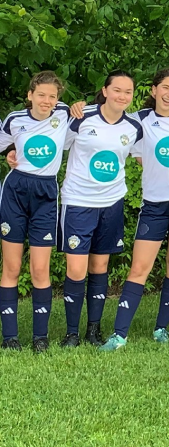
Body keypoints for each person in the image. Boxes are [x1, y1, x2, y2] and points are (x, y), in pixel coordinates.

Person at [92, 69, 169, 350]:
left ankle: (162, 328)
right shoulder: (138, 120)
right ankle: (119, 334)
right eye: (164, 87)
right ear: (153, 90)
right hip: (153, 204)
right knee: (139, 267)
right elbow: (106, 123)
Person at [59, 70, 143, 348]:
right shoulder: (81, 117)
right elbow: (53, 144)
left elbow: (147, 158)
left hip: (112, 202)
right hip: (79, 202)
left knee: (99, 266)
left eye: (128, 92)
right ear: (105, 90)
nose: (122, 96)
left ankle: (93, 329)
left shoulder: (133, 126)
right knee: (76, 269)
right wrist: (13, 153)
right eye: (117, 90)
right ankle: (72, 332)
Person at [0, 71, 69, 352]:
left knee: (40, 269)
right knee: (12, 267)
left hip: (46, 194)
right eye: (41, 94)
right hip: (15, 191)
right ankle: (10, 338)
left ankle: (40, 337)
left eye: (52, 96)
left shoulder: (65, 114)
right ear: (30, 95)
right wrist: (9, 152)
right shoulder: (15, 120)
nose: (47, 100)